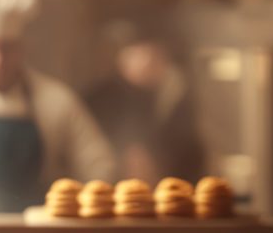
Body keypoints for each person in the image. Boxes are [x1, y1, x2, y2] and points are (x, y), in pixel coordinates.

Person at [0, 0, 116, 212]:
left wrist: (82, 212)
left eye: (6, 48)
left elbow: (100, 165)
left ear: (22, 47)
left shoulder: (55, 99)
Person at [86, 25, 205, 186]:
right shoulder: (106, 97)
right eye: (134, 55)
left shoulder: (174, 93)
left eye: (156, 57)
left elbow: (190, 151)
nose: (145, 63)